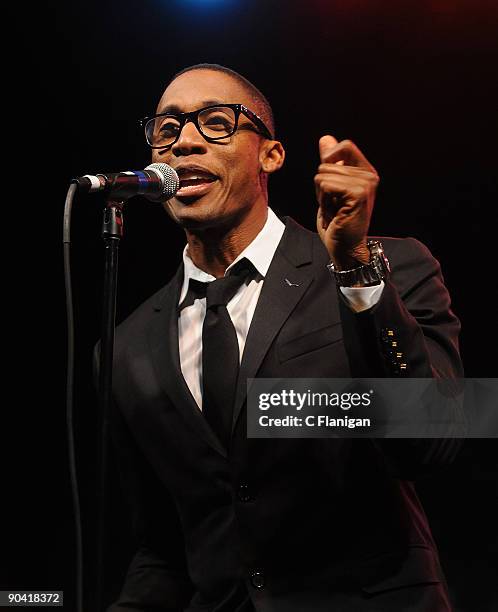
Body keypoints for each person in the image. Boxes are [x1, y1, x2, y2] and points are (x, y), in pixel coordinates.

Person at [104, 63, 463, 611]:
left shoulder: (389, 265)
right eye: (167, 128)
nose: (185, 142)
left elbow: (433, 441)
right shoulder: (125, 348)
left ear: (271, 155)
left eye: (216, 122)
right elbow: (166, 547)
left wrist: (355, 269)